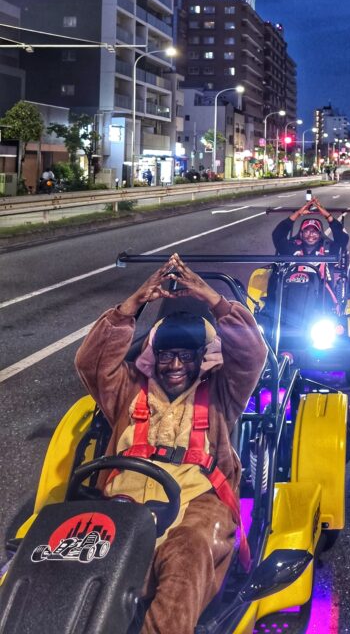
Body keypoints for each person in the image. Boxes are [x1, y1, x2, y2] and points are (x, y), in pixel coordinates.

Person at [74, 253, 267, 634]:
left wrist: (216, 301)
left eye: (185, 355)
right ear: (153, 356)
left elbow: (251, 353)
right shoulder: (128, 389)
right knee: (73, 560)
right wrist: (131, 307)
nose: (175, 365)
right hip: (122, 504)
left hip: (197, 503)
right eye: (166, 355)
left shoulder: (220, 393)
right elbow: (90, 361)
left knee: (188, 552)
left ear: (202, 357)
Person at [271, 196, 349, 257]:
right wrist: (298, 213)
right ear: (301, 234)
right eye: (307, 231)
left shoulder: (328, 250)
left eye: (314, 231)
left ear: (320, 235)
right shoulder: (291, 248)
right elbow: (278, 234)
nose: (311, 234)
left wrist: (328, 216)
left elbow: (343, 238)